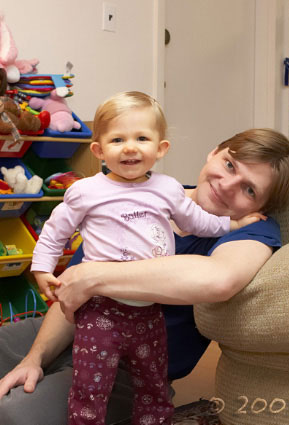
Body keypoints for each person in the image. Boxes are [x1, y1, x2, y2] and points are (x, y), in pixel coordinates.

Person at [0, 127, 289, 425]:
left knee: (19, 416)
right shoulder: (139, 193)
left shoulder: (253, 230)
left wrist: (97, 277)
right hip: (65, 331)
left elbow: (216, 280)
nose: (226, 184)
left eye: (248, 189)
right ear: (214, 152)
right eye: (229, 165)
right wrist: (35, 357)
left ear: (260, 205)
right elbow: (71, 292)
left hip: (131, 370)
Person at [31, 91, 261, 425]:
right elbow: (55, 232)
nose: (130, 148)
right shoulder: (86, 192)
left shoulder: (168, 190)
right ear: (99, 151)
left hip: (150, 312)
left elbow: (199, 222)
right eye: (117, 139)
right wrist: (41, 269)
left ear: (160, 148)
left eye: (141, 138)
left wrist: (233, 225)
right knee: (90, 387)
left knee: (152, 384)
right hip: (100, 311)